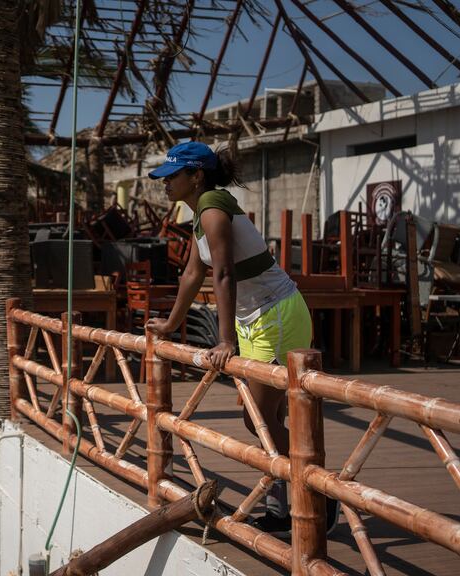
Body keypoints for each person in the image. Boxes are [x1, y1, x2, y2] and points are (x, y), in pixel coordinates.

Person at [143, 141, 336, 536]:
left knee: (258, 419)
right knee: (267, 419)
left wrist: (224, 340)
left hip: (274, 314)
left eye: (172, 176)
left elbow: (225, 273)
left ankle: (321, 493)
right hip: (256, 319)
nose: (166, 184)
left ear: (196, 175)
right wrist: (169, 326)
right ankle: (286, 503)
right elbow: (192, 276)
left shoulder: (213, 207)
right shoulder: (200, 211)